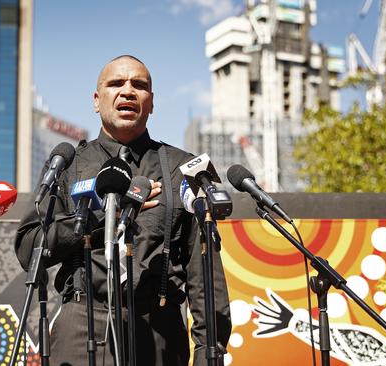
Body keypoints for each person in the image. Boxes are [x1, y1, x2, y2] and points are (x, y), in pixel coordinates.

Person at [15, 55, 231, 366]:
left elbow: (205, 273)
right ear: (96, 100)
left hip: (159, 330)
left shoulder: (183, 168)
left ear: (152, 102)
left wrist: (209, 352)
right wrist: (100, 212)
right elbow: (27, 250)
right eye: (116, 83)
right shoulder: (67, 163)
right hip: (81, 325)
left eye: (139, 85)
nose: (127, 91)